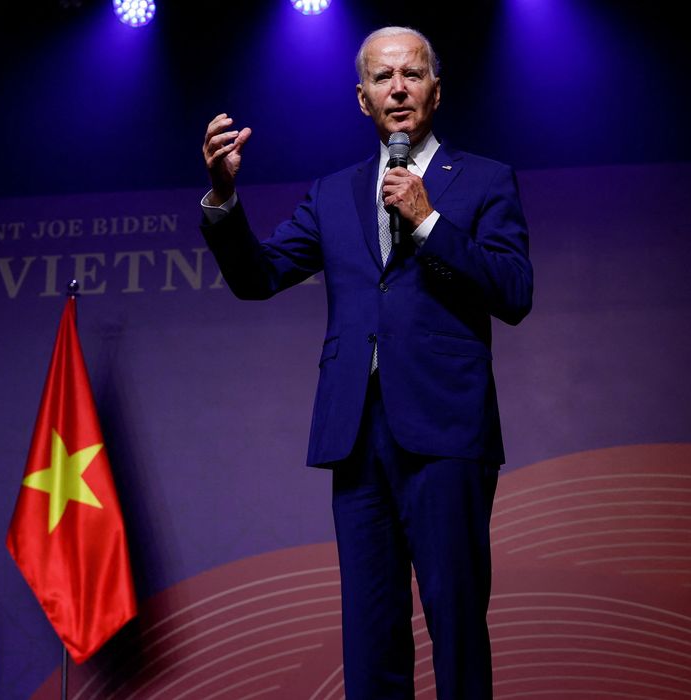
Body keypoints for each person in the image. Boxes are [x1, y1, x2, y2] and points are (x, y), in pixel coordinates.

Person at [198, 26, 532, 699]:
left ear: (436, 90)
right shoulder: (332, 193)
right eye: (383, 78)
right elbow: (257, 277)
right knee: (370, 631)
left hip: (445, 431)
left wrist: (431, 220)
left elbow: (514, 293)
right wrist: (223, 199)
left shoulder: (484, 179)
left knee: (456, 621)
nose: (398, 89)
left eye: (411, 75)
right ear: (362, 100)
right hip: (355, 432)